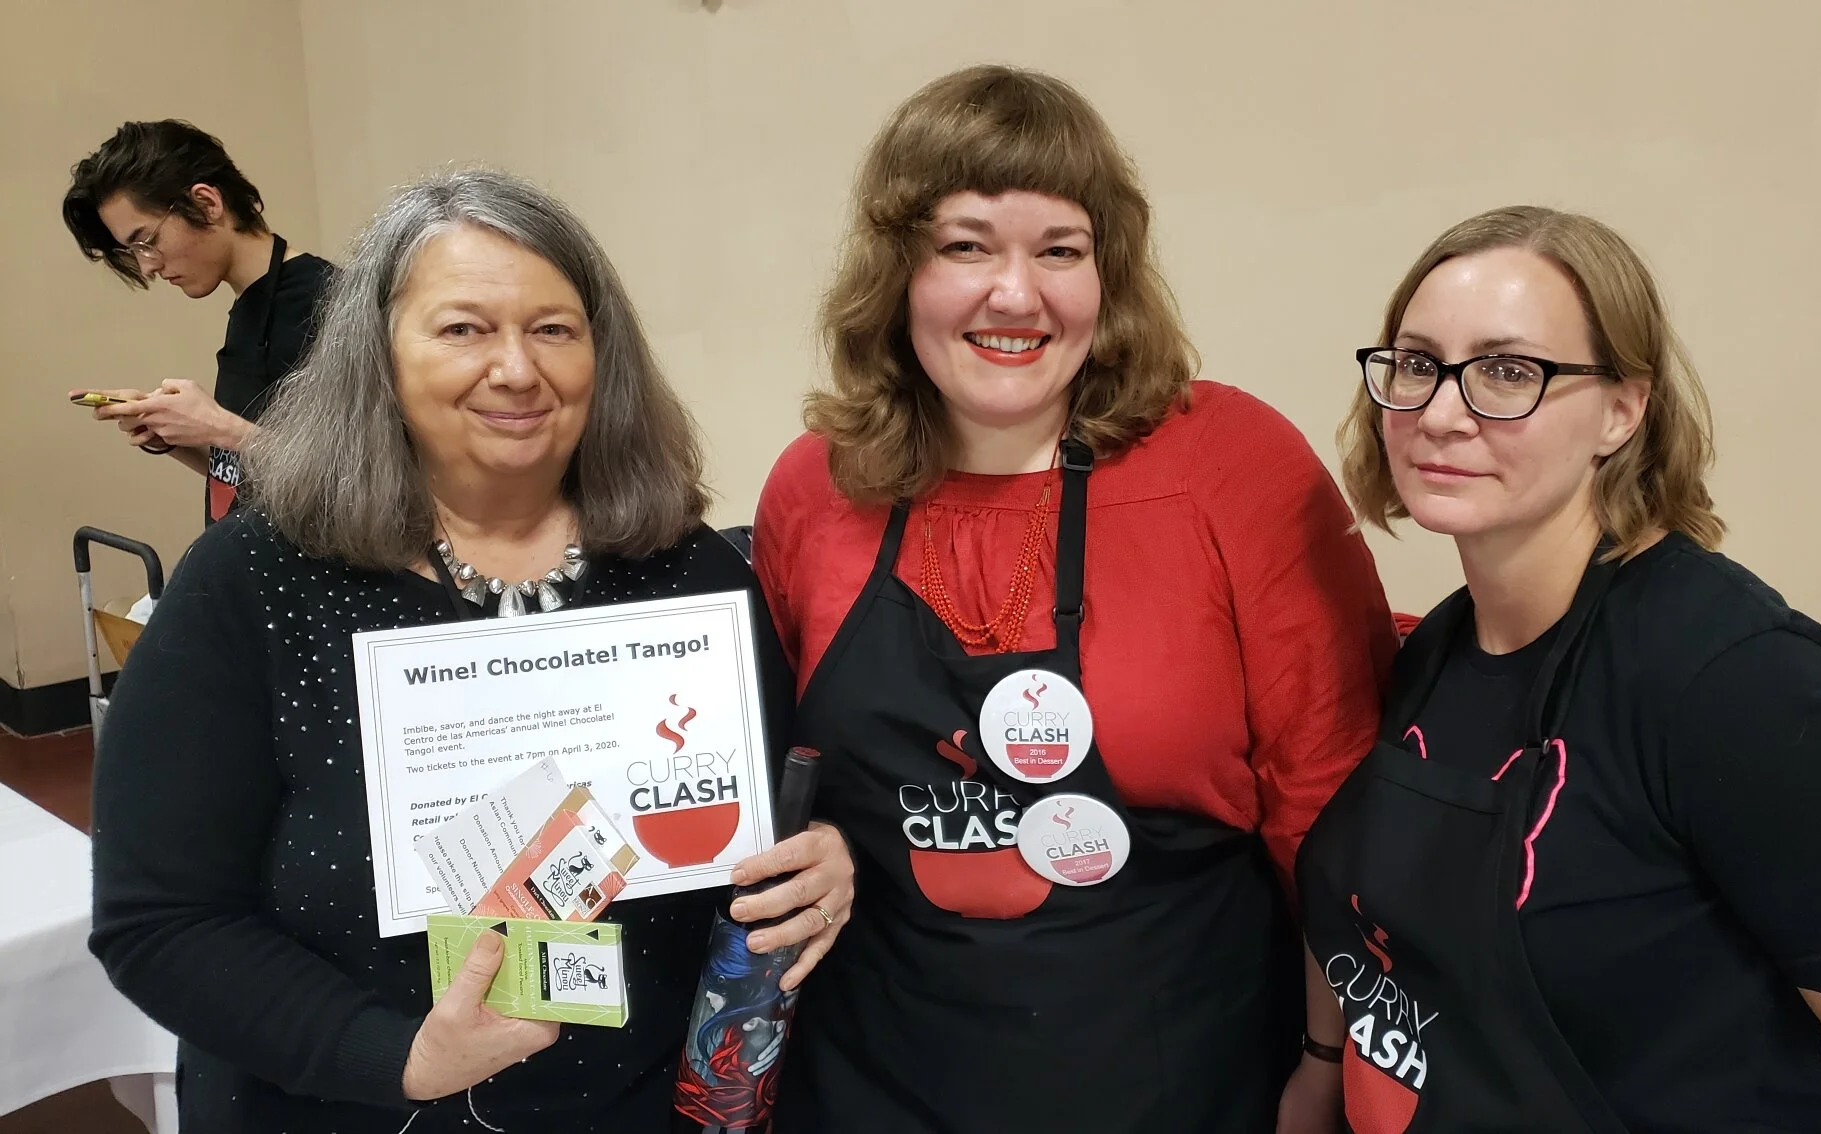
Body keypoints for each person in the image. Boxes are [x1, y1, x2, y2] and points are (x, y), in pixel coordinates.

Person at [88, 169, 855, 1133]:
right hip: (341, 1107)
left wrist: (817, 867)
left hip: (634, 1107)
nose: (517, 369)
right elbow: (161, 922)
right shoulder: (254, 583)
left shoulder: (687, 574)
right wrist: (393, 1054)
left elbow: (760, 831)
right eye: (462, 329)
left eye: (553, 328)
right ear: (379, 357)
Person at [754, 65, 1396, 1133]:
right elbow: (772, 797)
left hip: (1182, 1083)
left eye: (1061, 249)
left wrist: (1330, 1060)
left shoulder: (1231, 466)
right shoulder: (813, 490)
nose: (1018, 294)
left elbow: (1331, 819)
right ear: (896, 269)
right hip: (872, 1085)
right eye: (967, 246)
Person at [1298, 205, 1821, 1133]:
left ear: (1622, 411)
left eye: (1508, 372)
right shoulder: (1446, 647)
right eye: (1418, 364)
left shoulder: (1740, 689)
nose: (1441, 412)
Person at [62, 119, 337, 524]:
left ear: (207, 203)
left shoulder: (330, 302)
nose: (147, 266)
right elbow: (251, 474)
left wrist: (218, 425)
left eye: (147, 241)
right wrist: (175, 435)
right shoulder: (249, 304)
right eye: (133, 251)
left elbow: (353, 485)